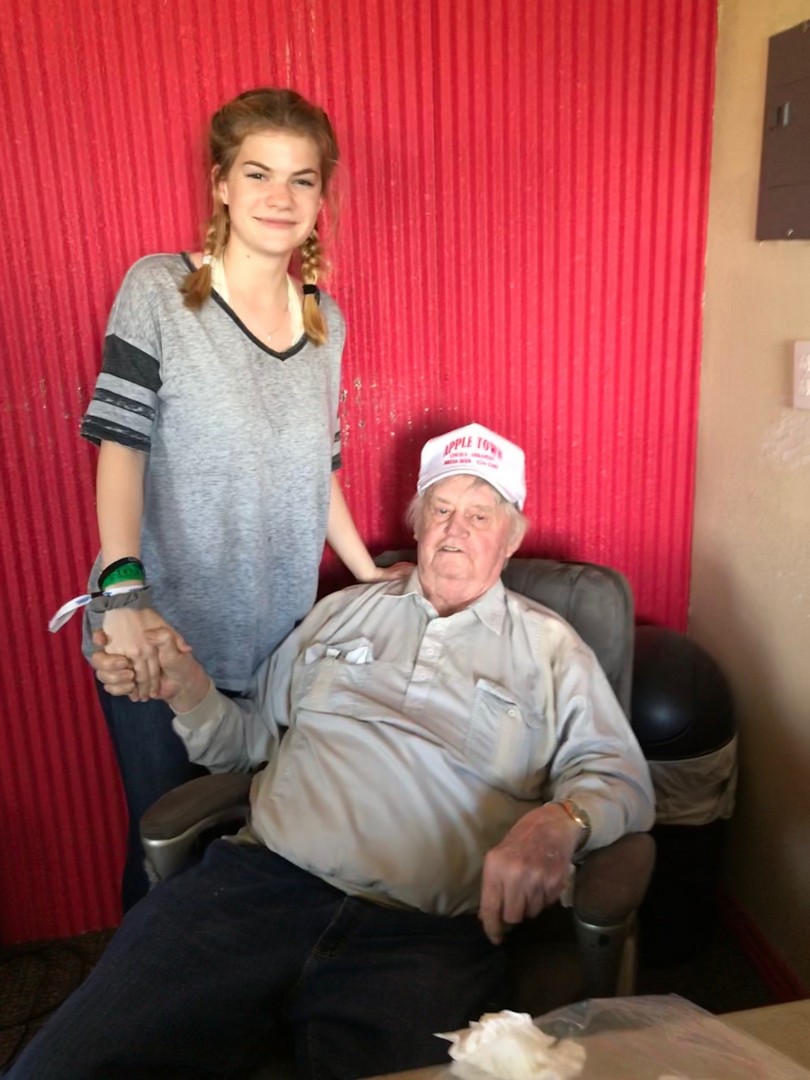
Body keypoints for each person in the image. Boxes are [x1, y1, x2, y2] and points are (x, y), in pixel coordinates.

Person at [22, 424, 655, 1080]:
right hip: (251, 891)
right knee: (63, 1066)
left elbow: (623, 779)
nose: (455, 530)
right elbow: (246, 743)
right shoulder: (341, 613)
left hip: (423, 940)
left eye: (479, 515)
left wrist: (559, 823)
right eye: (440, 509)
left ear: (512, 536)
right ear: (417, 523)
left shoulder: (551, 649)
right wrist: (184, 686)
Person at [71, 87, 408, 909]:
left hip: (271, 649)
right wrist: (124, 595)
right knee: (166, 846)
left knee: (249, 848)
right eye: (258, 173)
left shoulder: (323, 319)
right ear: (221, 183)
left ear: (321, 199)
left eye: (302, 179)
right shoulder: (161, 289)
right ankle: (137, 989)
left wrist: (367, 570)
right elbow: (122, 449)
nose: (279, 197)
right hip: (159, 630)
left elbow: (319, 471)